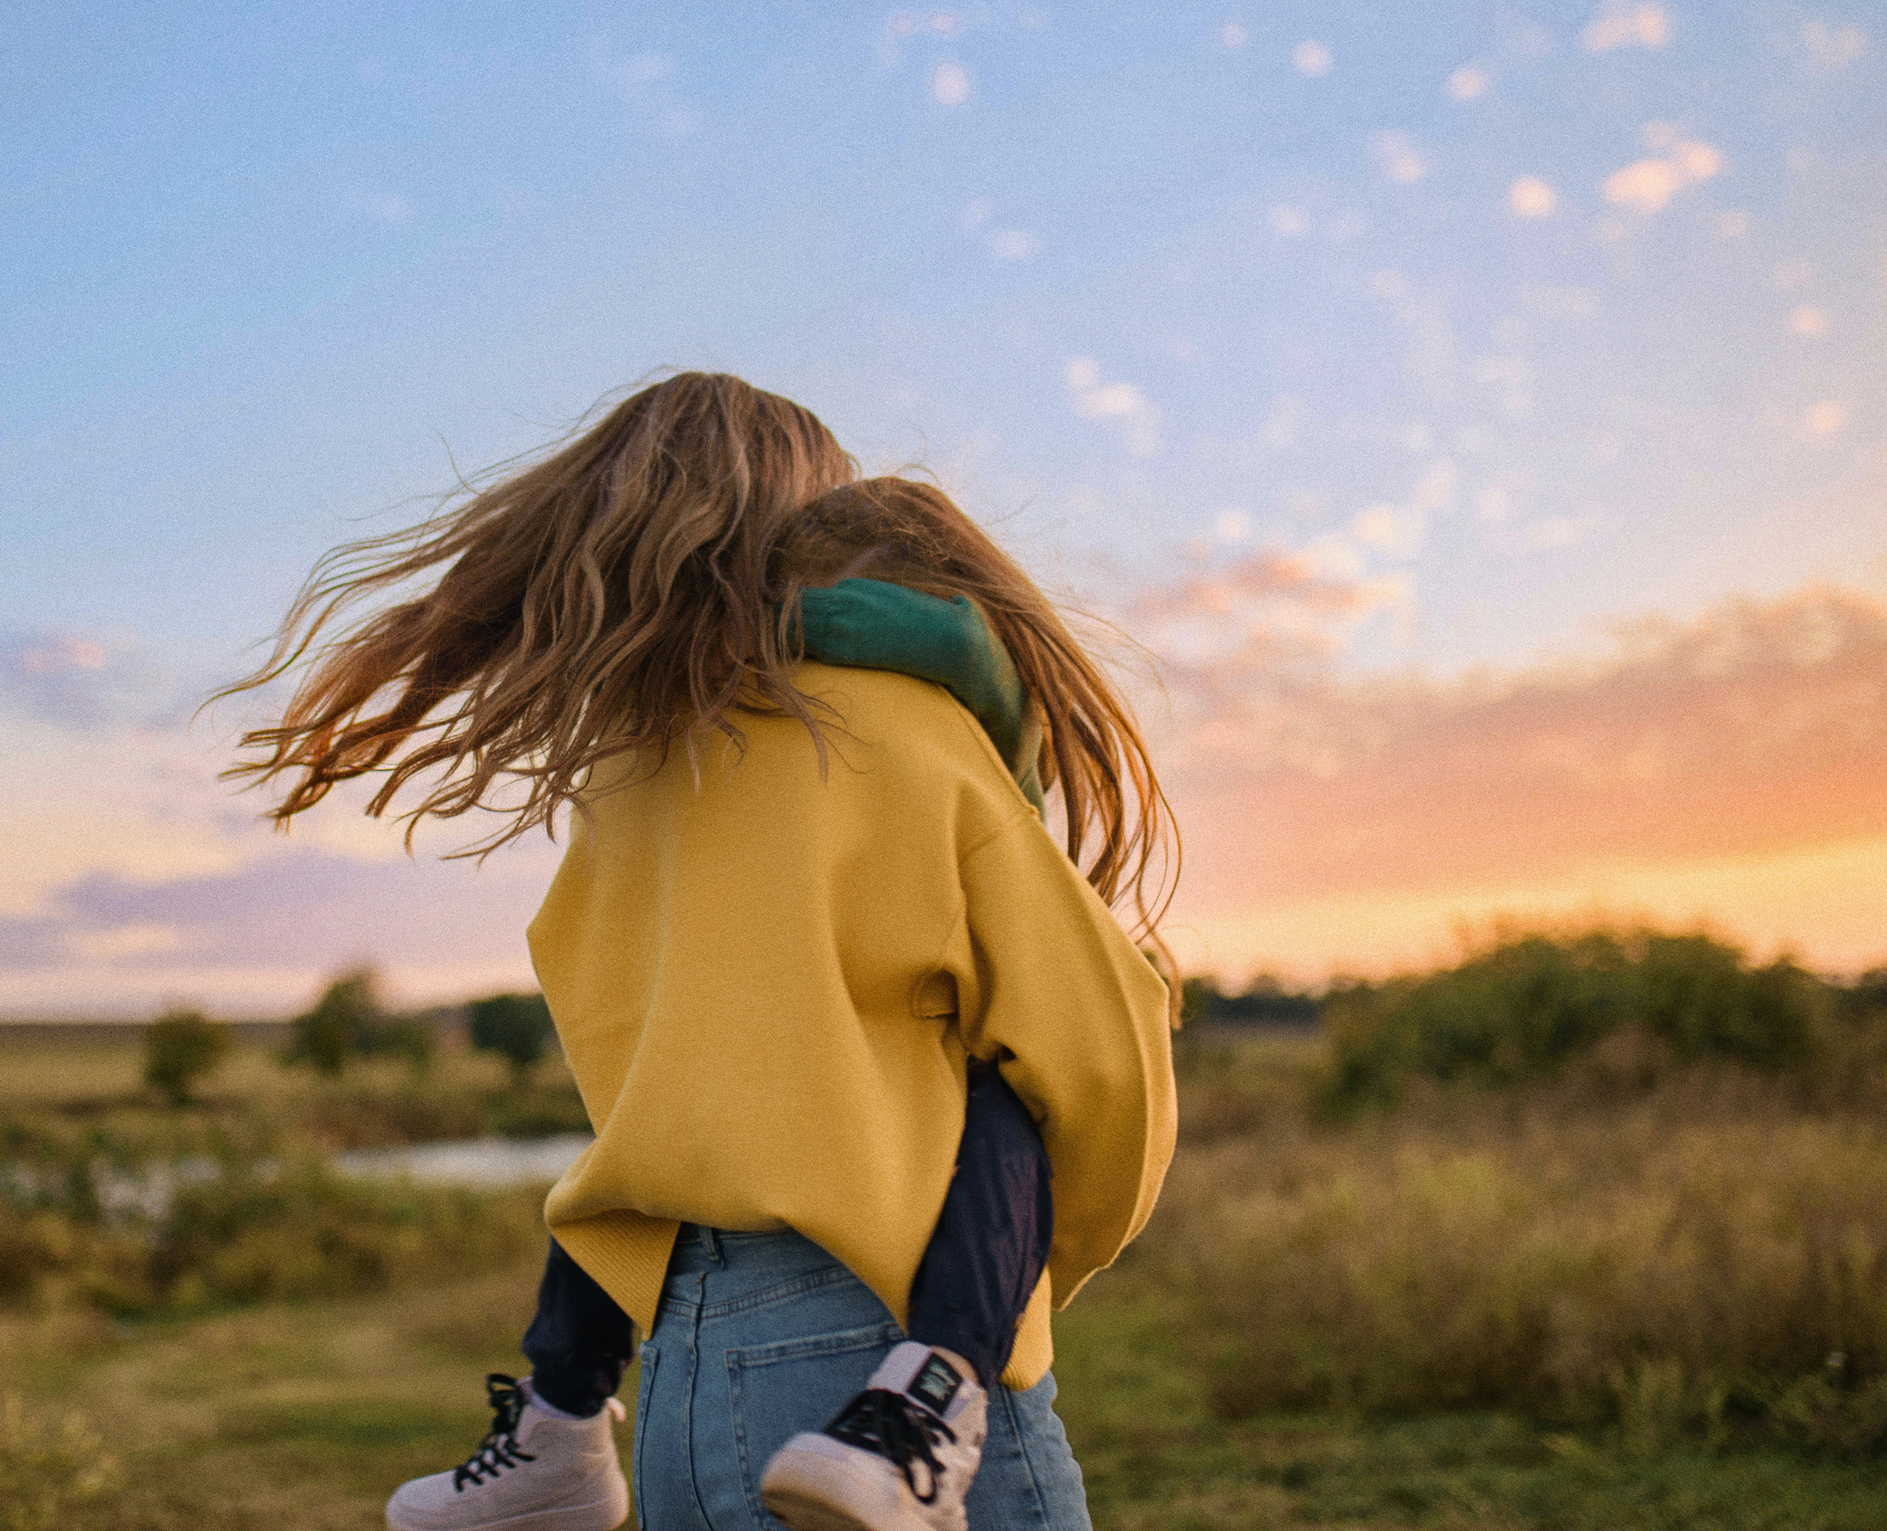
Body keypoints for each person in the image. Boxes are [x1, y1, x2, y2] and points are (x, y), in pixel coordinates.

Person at [221, 379, 1178, 1531]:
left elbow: (632, 1074)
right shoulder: (902, 730)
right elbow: (1096, 1059)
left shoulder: (624, 779)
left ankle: (553, 1431)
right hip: (876, 1352)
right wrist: (1029, 1284)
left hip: (673, 1362)